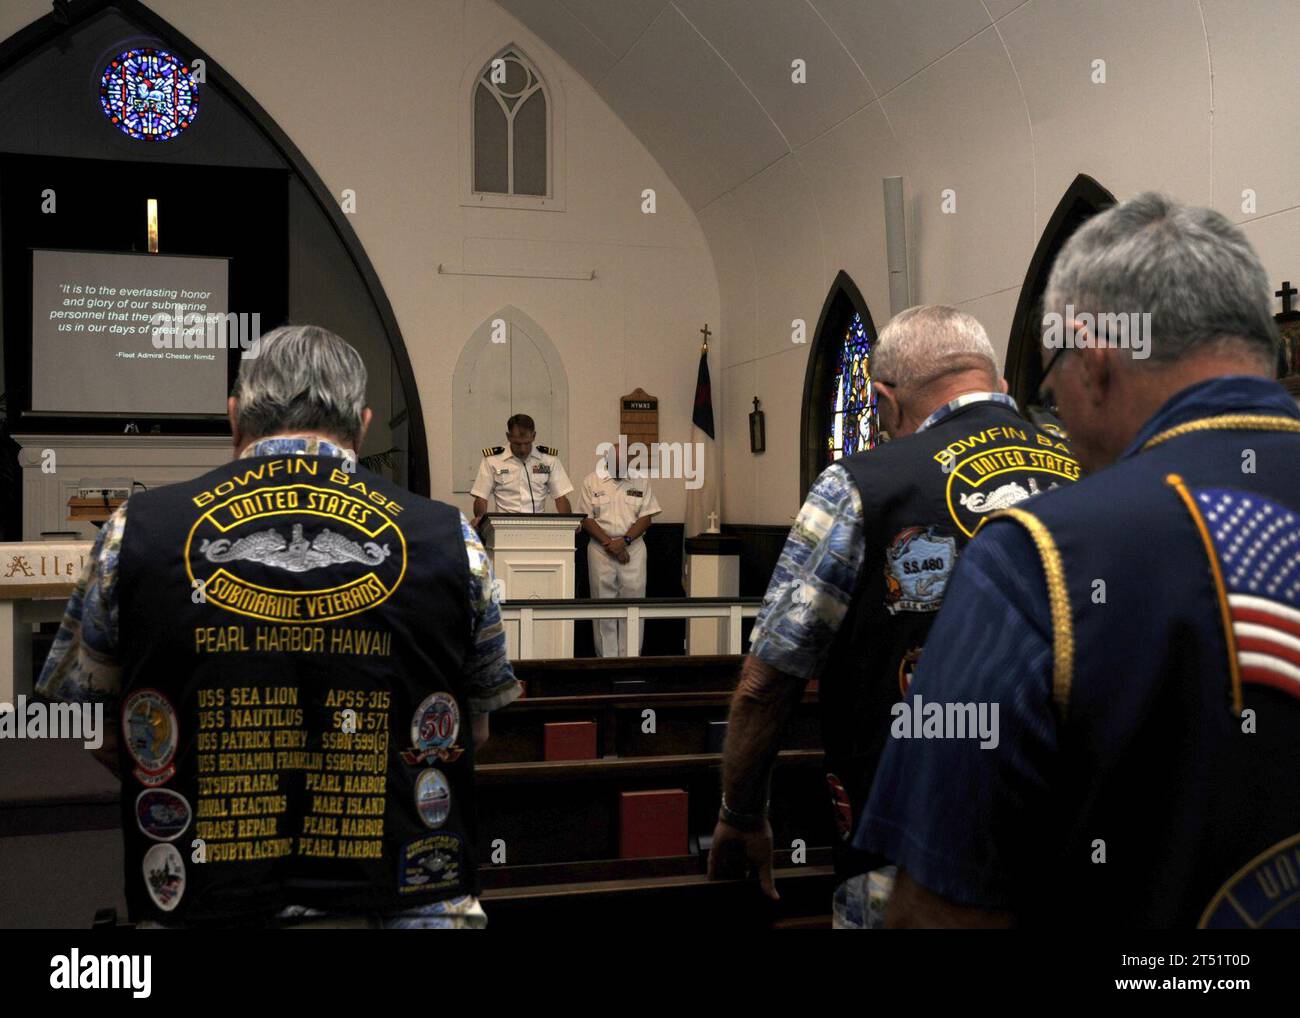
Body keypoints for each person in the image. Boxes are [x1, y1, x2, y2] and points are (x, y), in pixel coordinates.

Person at [856, 193, 1300, 929]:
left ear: (1094, 360)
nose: (1050, 403)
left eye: (1050, 376)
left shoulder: (1036, 559)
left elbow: (937, 912)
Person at [37, 324, 521, 928]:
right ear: (363, 422)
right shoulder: (452, 540)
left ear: (235, 416)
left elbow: (102, 728)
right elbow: (472, 728)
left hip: (204, 899)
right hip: (403, 901)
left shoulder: (133, 532)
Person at [706, 305, 1079, 927]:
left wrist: (742, 814)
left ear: (881, 401)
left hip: (910, 857)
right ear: (1001, 386)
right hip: (1078, 845)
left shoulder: (860, 483)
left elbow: (767, 681)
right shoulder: (1096, 468)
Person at [577, 438, 663, 656]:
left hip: (632, 548)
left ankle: (631, 659)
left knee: (633, 605)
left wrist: (623, 542)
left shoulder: (640, 482)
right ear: (606, 459)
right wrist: (611, 544)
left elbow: (646, 518)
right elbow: (586, 519)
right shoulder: (591, 481)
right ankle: (606, 661)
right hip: (600, 548)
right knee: (602, 605)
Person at [470, 414, 573, 525]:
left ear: (534, 436)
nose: (523, 449)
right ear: (508, 437)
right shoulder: (492, 460)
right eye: (517, 444)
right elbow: (481, 497)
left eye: (527, 443)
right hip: (503, 526)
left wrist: (570, 522)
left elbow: (560, 497)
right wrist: (480, 520)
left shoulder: (548, 460)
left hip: (538, 526)